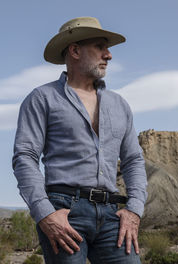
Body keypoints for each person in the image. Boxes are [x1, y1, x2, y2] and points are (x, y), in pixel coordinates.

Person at [12, 17, 148, 264]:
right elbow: (25, 157)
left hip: (113, 215)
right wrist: (45, 214)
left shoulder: (120, 105)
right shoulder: (42, 98)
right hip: (64, 211)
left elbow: (133, 160)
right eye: (99, 46)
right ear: (74, 50)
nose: (108, 55)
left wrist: (134, 210)